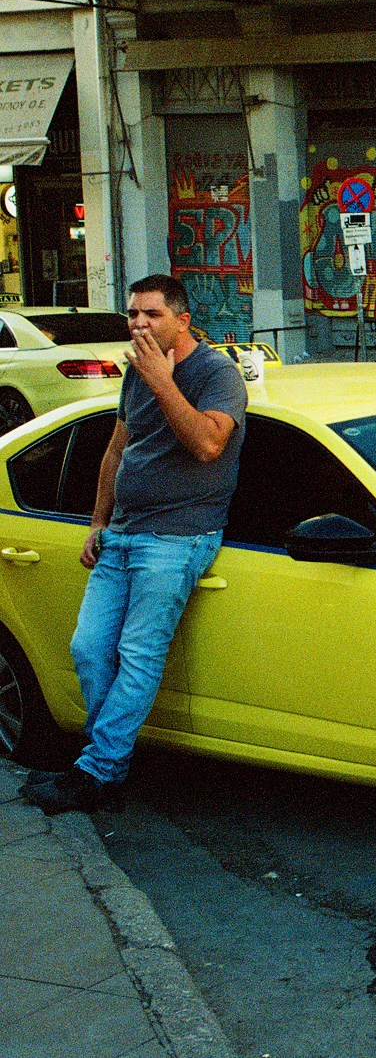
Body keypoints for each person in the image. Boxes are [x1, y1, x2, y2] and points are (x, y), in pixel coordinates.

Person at [20, 275, 247, 815]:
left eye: (152, 314)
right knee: (88, 648)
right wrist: (98, 523)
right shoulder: (136, 376)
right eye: (133, 314)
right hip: (122, 534)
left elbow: (208, 444)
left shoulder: (216, 374)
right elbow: (116, 451)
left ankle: (97, 772)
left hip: (177, 537)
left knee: (139, 654)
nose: (139, 324)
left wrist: (163, 381)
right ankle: (106, 759)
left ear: (182, 320)